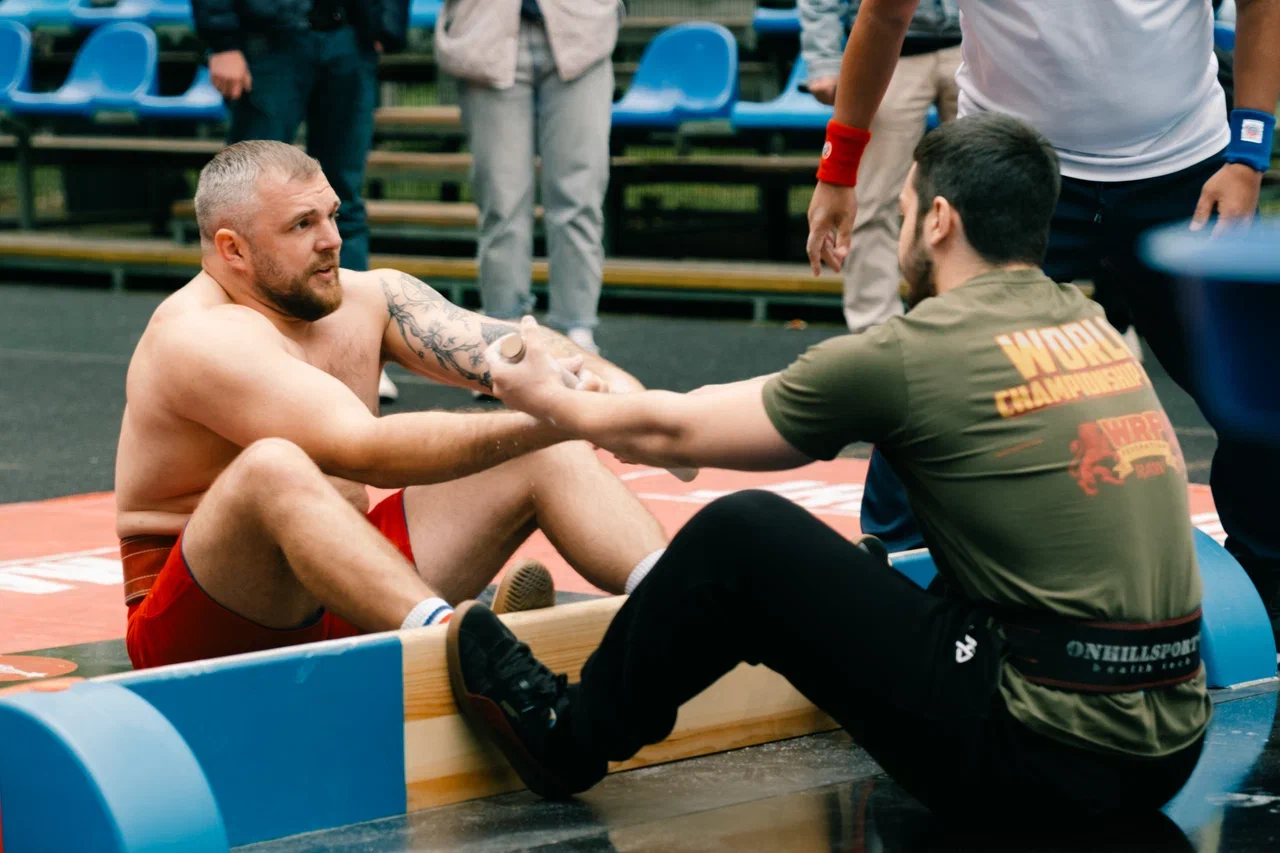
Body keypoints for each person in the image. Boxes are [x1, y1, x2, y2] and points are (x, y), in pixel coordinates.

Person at [447, 115, 1209, 820]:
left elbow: (677, 432)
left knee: (742, 537)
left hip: (1043, 756)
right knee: (909, 557)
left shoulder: (918, 350)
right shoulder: (1091, 326)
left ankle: (565, 733)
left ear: (939, 220)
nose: (900, 230)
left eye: (903, 211)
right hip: (1171, 747)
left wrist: (546, 395)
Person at [804, 0, 1280, 632]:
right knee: (938, 373)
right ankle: (895, 581)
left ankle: (1270, 590)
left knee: (1251, 391)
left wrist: (1248, 155)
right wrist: (838, 170)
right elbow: (885, 16)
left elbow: (1260, 6)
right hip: (1011, 166)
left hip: (1182, 169)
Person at [115, 140, 669, 671]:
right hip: (203, 625)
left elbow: (514, 347)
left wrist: (639, 409)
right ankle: (470, 654)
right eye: (302, 225)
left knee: (547, 450)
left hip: (352, 587)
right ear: (232, 249)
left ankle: (684, 604)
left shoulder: (369, 296)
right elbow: (365, 451)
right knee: (273, 465)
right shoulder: (198, 335)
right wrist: (559, 419)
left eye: (332, 215)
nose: (332, 239)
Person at [193, 0, 407, 402]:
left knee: (343, 200)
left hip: (350, 35)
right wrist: (222, 42)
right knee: (245, 202)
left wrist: (386, 24)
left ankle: (354, 352)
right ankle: (237, 349)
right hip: (268, 41)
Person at [434, 0, 621, 355]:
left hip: (582, 24)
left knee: (579, 195)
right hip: (484, 28)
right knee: (501, 199)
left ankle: (575, 332)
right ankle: (504, 330)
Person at [800, 0, 962, 333]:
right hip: (887, 47)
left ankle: (975, 327)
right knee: (871, 200)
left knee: (983, 197)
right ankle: (874, 332)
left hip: (974, 46)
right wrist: (824, 59)